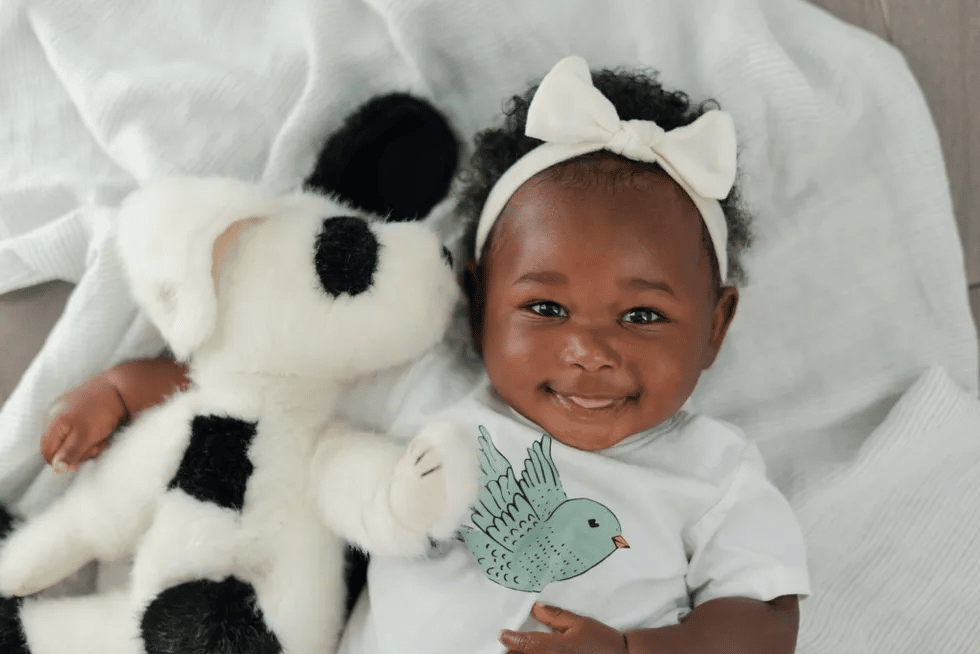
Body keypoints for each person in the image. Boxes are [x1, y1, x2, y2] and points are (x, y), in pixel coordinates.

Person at [39, 56, 809, 653]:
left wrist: (638, 648)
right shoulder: (435, 393)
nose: (588, 349)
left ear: (715, 326)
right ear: (476, 303)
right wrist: (122, 388)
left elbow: (767, 620)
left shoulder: (713, 473)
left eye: (643, 314)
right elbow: (270, 388)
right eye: (544, 308)